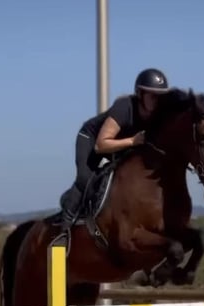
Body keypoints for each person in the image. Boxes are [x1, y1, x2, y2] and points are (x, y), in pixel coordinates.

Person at [59, 68, 171, 230]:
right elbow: (101, 145)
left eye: (161, 97)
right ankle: (64, 227)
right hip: (92, 140)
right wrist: (133, 141)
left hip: (121, 144)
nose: (158, 101)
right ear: (140, 94)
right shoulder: (124, 107)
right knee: (86, 180)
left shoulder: (158, 115)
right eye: (153, 96)